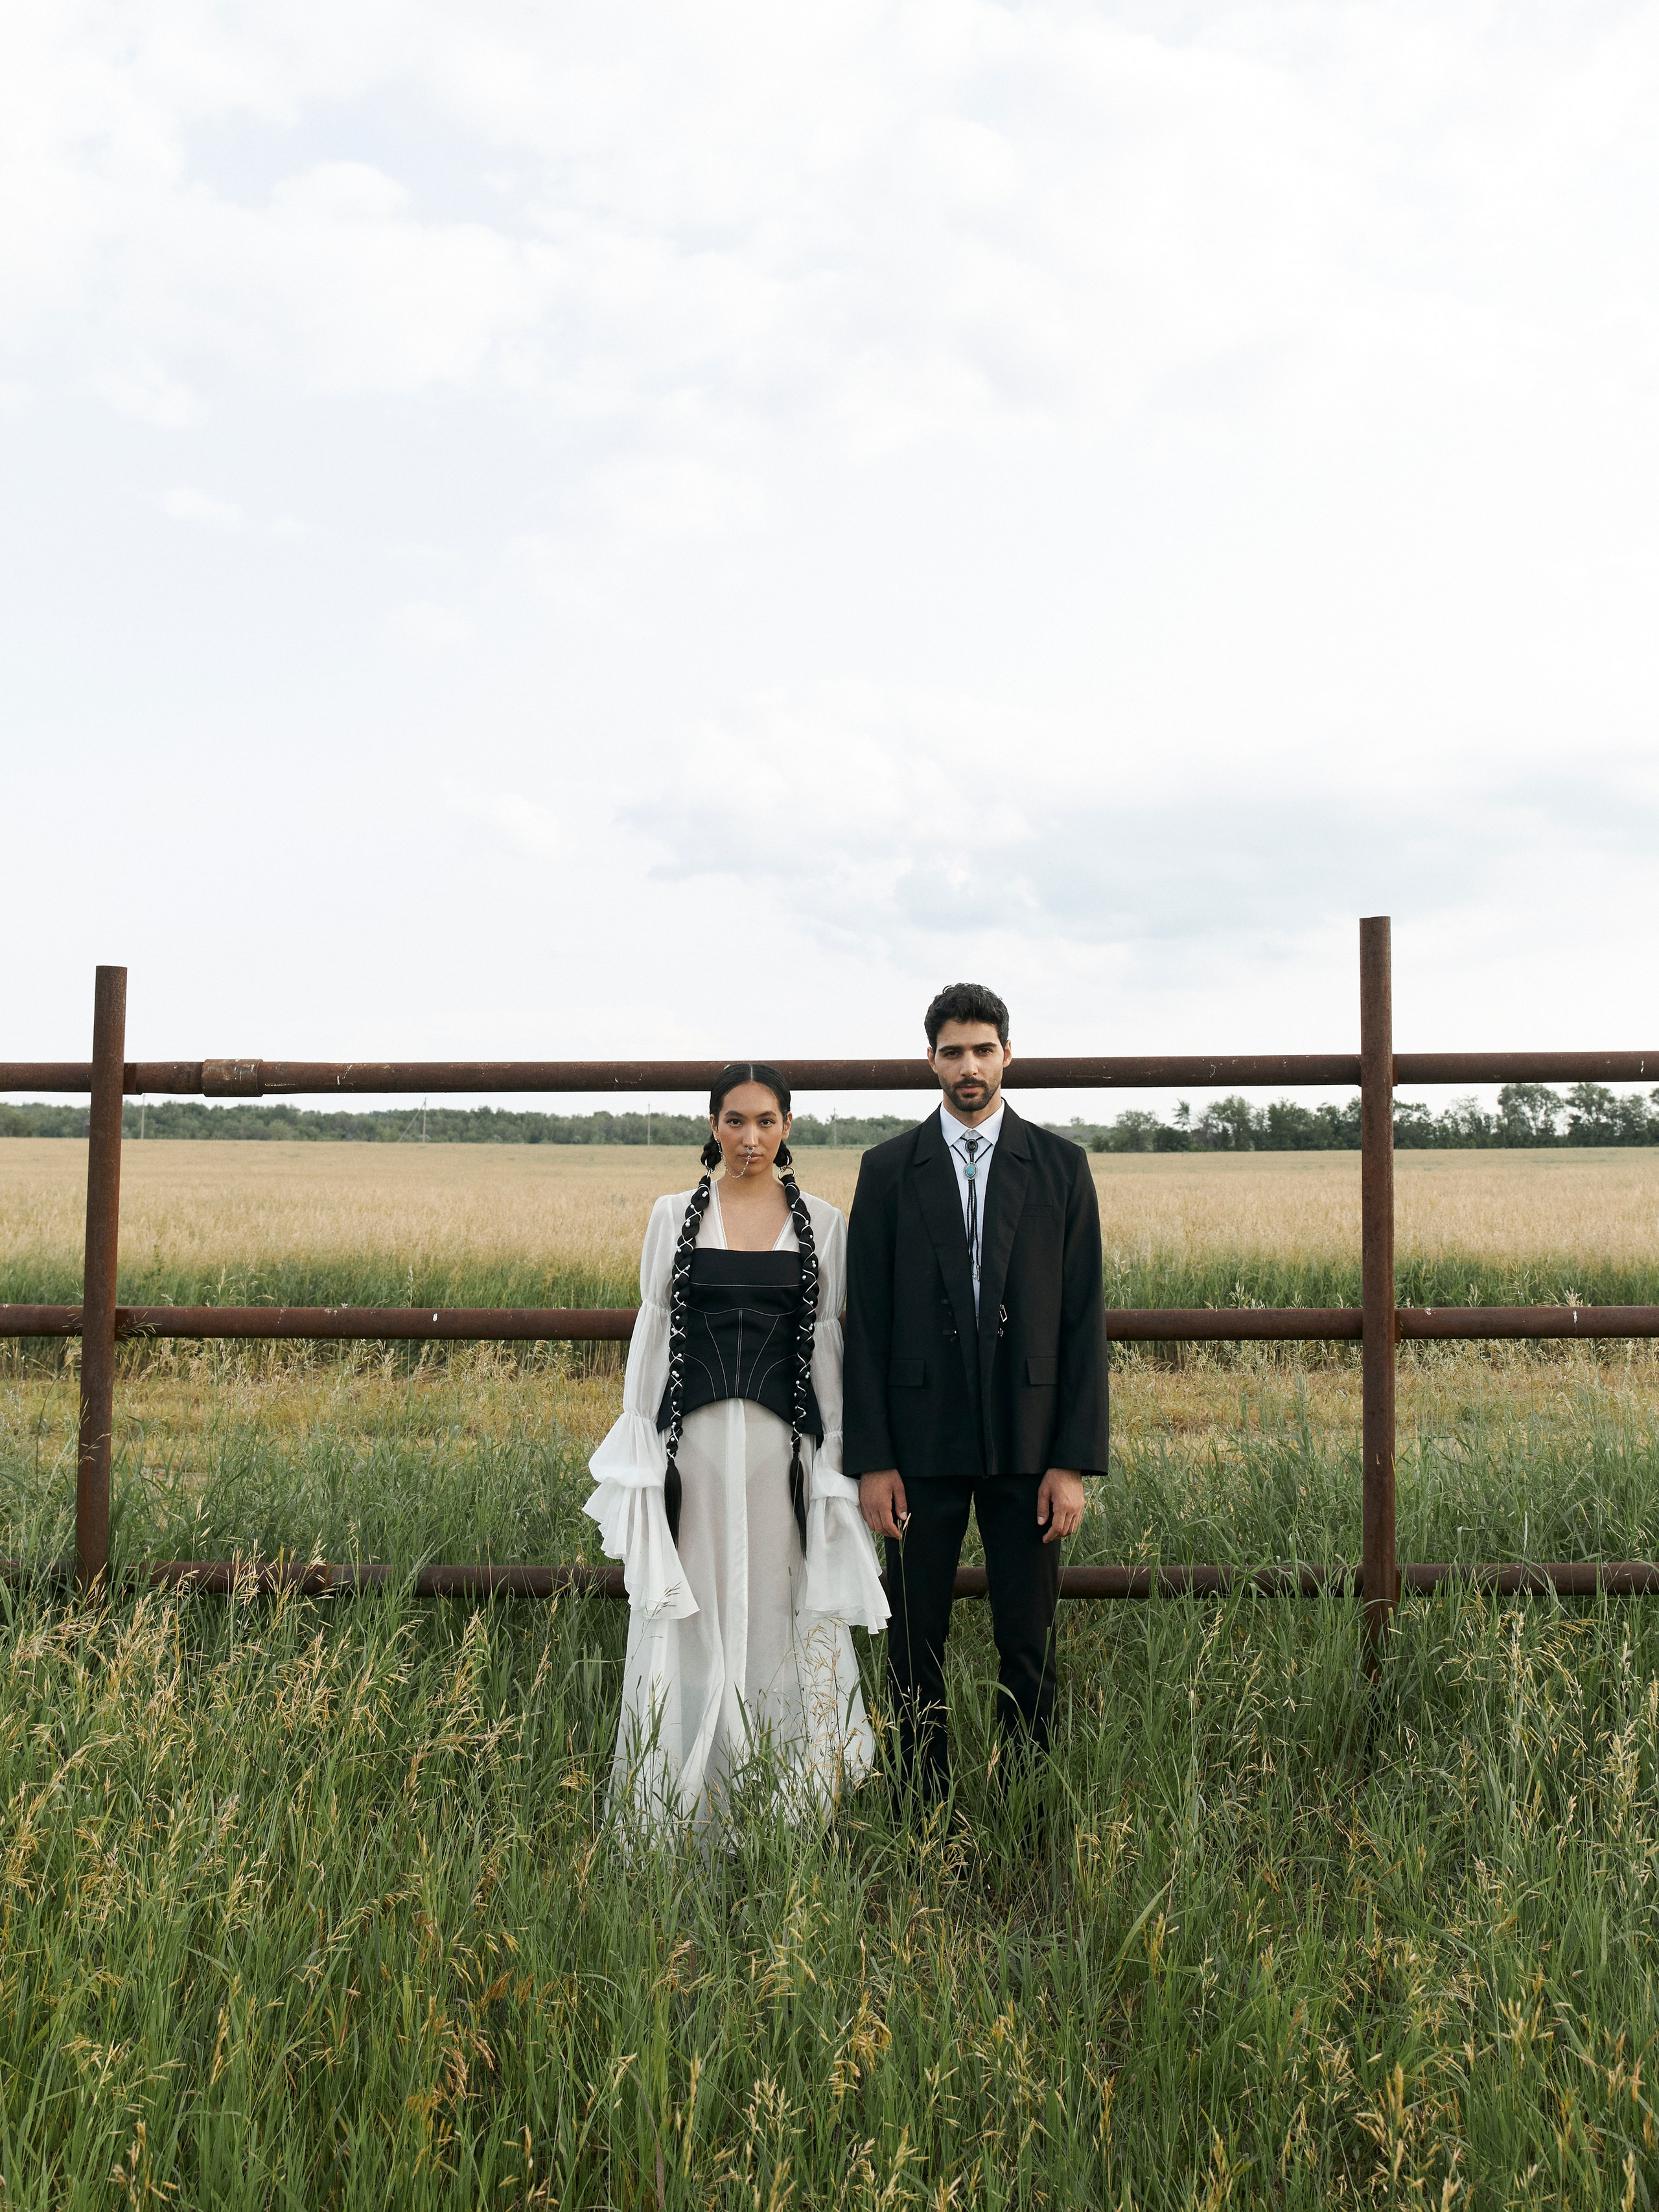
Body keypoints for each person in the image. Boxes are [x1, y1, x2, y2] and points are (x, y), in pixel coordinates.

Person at [586, 1062, 888, 1829]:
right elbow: (653, 1334)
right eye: (734, 1120)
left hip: (780, 1457)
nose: (749, 1138)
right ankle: (684, 1804)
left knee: (781, 1606)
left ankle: (784, 1803)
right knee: (691, 1612)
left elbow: (824, 1347)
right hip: (691, 1453)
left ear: (788, 1124)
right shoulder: (671, 1215)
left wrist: (833, 1460)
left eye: (764, 1120)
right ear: (712, 1125)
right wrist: (643, 1454)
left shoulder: (822, 1219)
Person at [844, 983, 1109, 1799]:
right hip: (917, 1443)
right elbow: (868, 1322)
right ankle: (922, 1806)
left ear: (1006, 1055)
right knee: (913, 1636)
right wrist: (874, 1460)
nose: (968, 1066)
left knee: (1026, 1637)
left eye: (982, 1049)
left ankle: (1025, 1800)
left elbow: (1081, 1318)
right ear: (930, 1059)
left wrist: (1071, 1462)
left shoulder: (1060, 1165)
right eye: (952, 1050)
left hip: (1028, 1444)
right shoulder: (887, 1169)